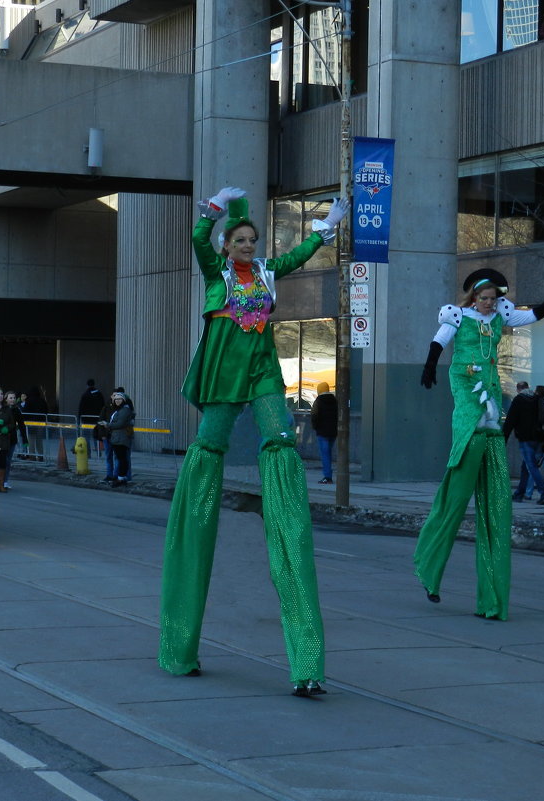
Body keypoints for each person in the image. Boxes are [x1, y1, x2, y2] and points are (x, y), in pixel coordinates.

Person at [158, 186, 349, 697]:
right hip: (223, 376)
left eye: (251, 239)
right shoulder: (214, 271)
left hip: (263, 372)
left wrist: (325, 231)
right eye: (239, 240)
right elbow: (199, 237)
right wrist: (214, 210)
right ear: (227, 246)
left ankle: (305, 658)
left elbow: (297, 256)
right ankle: (179, 643)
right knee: (206, 454)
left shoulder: (265, 273)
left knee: (281, 445)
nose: (247, 245)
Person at [415, 269, 544, 621]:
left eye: (492, 298)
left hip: (488, 385)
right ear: (473, 297)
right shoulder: (460, 315)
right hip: (464, 381)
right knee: (472, 426)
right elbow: (439, 340)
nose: (487, 303)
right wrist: (430, 365)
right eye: (482, 298)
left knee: (490, 427)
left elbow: (532, 315)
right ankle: (430, 561)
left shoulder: (502, 313)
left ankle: (491, 599)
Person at [503, 380, 544, 504]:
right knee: (525, 467)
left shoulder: (518, 400)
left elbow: (510, 421)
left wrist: (504, 439)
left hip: (525, 438)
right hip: (538, 438)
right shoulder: (536, 399)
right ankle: (520, 493)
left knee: (531, 466)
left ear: (518, 389)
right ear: (528, 388)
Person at [104, 392, 135, 485]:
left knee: (122, 458)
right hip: (117, 437)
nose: (117, 401)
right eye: (115, 399)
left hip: (121, 438)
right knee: (120, 457)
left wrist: (108, 425)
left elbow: (120, 424)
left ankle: (121, 478)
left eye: (119, 399)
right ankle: (120, 477)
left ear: (123, 400)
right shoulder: (119, 409)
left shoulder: (124, 410)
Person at [310, 382, 337, 484]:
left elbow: (314, 415)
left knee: (325, 454)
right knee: (328, 453)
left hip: (322, 432)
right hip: (333, 432)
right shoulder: (335, 400)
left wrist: (315, 427)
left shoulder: (318, 401)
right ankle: (328, 474)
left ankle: (327, 476)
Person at [3, 390, 28, 490]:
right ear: (6, 399)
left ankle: (5, 481)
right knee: (2, 460)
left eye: (14, 398)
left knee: (8, 461)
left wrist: (25, 440)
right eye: (10, 398)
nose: (12, 400)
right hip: (1, 438)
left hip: (12, 438)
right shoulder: (2, 409)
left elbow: (22, 425)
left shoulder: (16, 410)